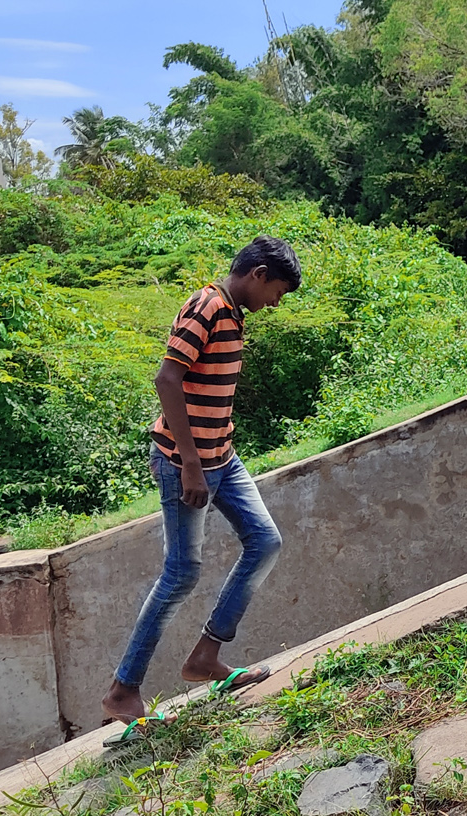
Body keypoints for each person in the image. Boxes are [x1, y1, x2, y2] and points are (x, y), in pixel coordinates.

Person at [101, 237, 300, 729]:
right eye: (278, 289)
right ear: (257, 273)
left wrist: (212, 455)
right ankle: (123, 689)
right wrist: (190, 463)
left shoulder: (235, 314)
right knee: (182, 573)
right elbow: (167, 379)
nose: (277, 301)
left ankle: (207, 654)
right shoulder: (208, 305)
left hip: (223, 458)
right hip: (184, 462)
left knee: (265, 542)